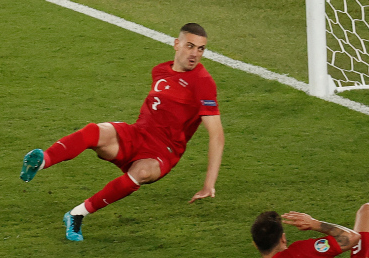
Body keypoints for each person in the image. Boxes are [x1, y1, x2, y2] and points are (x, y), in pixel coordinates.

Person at [19, 23, 225, 241]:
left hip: (163, 152)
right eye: (190, 46)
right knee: (94, 132)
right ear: (177, 44)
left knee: (142, 172)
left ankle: (76, 215)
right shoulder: (160, 71)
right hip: (137, 134)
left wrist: (208, 184)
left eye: (201, 49)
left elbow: (217, 135)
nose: (194, 54)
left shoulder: (203, 82)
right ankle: (41, 161)